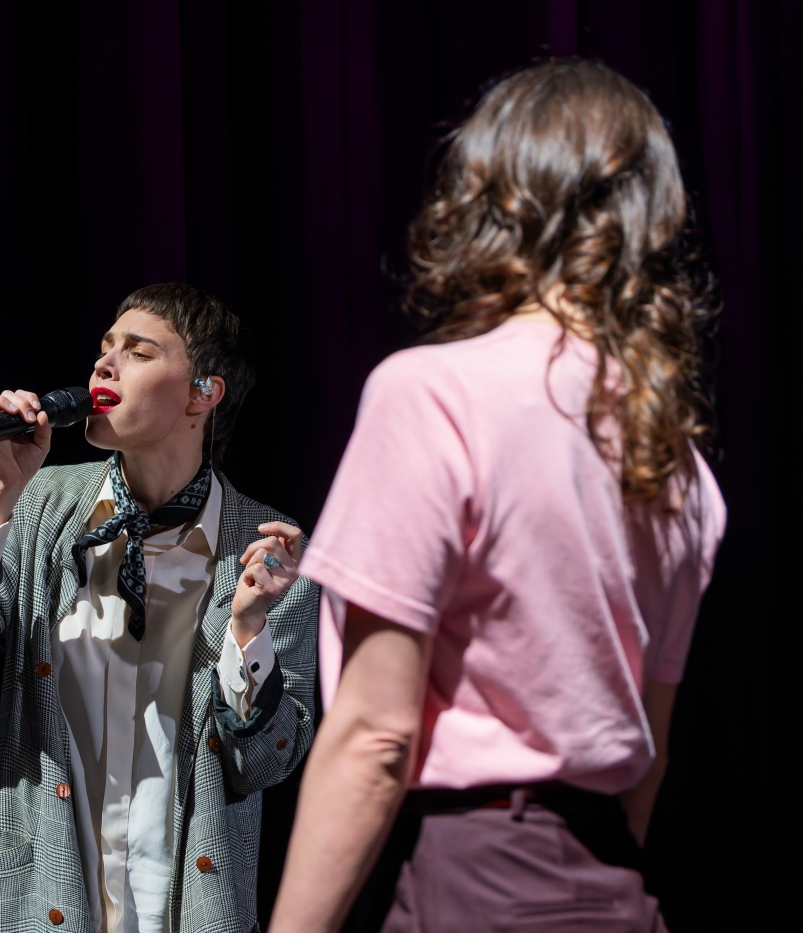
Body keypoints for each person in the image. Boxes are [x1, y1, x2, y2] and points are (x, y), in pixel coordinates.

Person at [270, 60, 726, 933]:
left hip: (476, 883)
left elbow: (375, 735)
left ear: (492, 197)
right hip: (618, 894)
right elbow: (648, 762)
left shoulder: (433, 395)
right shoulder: (678, 461)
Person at [0, 283, 320, 933]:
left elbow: (263, 763)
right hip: (38, 906)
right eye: (104, 349)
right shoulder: (38, 506)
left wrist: (247, 629)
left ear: (202, 394)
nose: (103, 364)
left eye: (138, 351)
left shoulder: (267, 548)